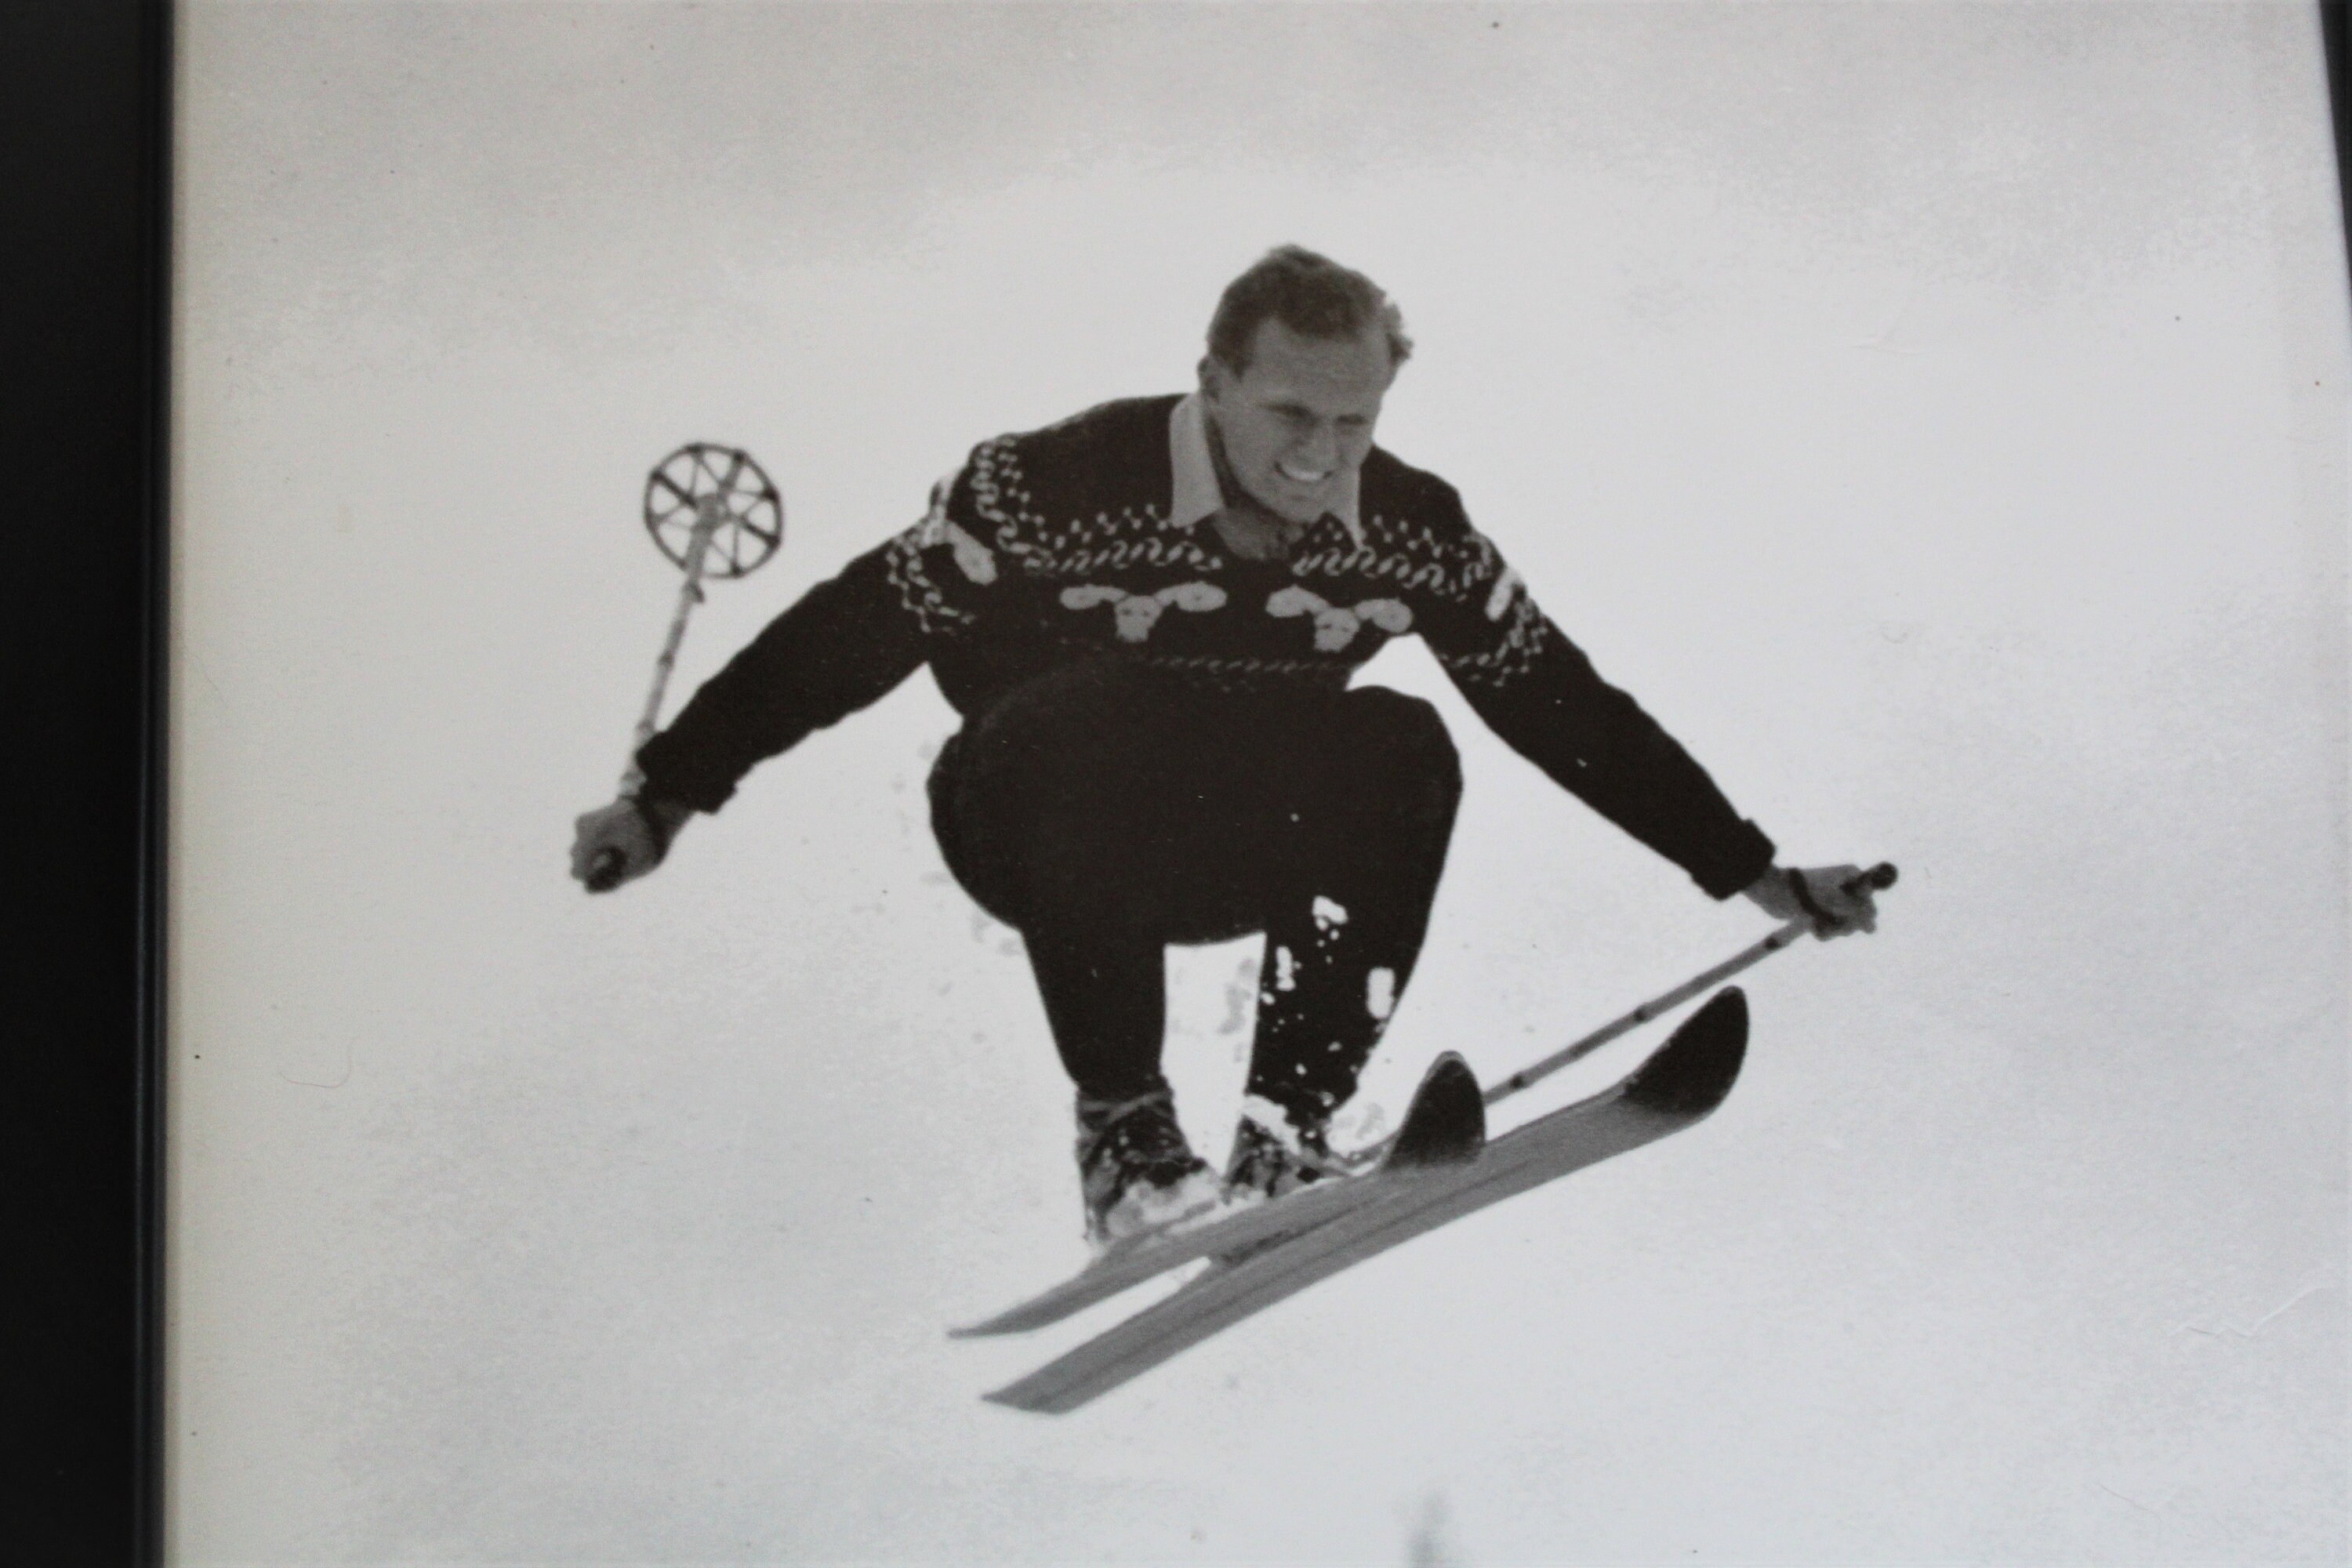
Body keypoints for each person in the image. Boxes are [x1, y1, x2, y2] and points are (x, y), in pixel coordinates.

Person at [572, 246, 1881, 1248]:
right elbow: (854, 631)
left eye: (1352, 424)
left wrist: (1755, 871)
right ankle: (1129, 1140)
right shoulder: (1051, 487)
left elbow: (1559, 703)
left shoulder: (1413, 535)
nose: (1320, 461)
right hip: (1038, 817)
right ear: (1213, 383)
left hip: (1235, 842)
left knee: (1402, 742)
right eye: (1289, 417)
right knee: (1103, 708)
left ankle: (1281, 1132)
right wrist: (673, 790)